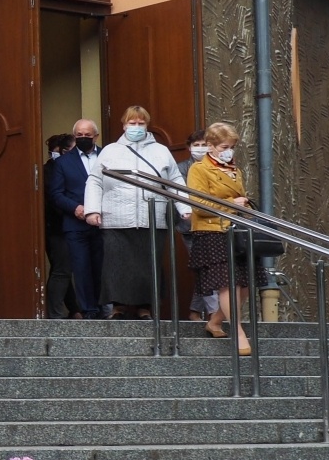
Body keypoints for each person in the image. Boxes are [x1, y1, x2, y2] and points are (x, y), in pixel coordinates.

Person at [85, 106, 187, 318]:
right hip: (117, 218)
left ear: (147, 126)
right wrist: (92, 210)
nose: (136, 127)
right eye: (132, 123)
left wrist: (184, 207)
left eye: (141, 123)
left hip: (153, 217)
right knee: (116, 264)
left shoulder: (160, 151)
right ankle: (118, 307)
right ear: (124, 125)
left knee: (148, 264)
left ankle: (145, 308)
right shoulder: (111, 150)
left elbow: (175, 180)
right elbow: (95, 180)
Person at [187, 122, 265, 355]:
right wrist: (232, 204)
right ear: (210, 146)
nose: (228, 151)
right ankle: (238, 331)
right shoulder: (199, 169)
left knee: (243, 287)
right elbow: (199, 205)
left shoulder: (233, 169)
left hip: (235, 231)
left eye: (231, 146)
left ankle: (214, 321)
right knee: (227, 284)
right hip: (211, 232)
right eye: (224, 146)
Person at [47, 119, 106, 318]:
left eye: (87, 135)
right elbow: (56, 193)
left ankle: (102, 307)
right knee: (81, 268)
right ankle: (88, 310)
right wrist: (75, 208)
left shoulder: (108, 156)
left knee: (101, 267)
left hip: (104, 222)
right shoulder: (63, 162)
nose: (83, 138)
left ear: (95, 136)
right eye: (78, 136)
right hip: (75, 224)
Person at [175, 129, 220, 323]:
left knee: (209, 267)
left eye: (204, 145)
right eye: (197, 145)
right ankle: (210, 312)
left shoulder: (217, 167)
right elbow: (183, 194)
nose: (200, 149)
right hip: (191, 226)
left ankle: (199, 311)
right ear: (189, 147)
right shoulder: (182, 168)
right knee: (204, 267)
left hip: (214, 225)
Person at [42, 134, 80, 319]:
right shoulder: (49, 171)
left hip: (66, 227)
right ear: (60, 150)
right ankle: (55, 314)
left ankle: (74, 310)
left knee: (65, 269)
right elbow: (54, 202)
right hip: (58, 228)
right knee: (62, 269)